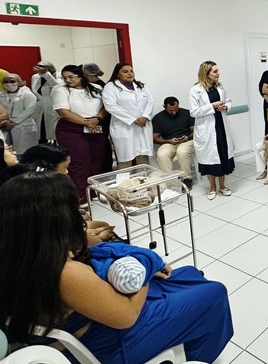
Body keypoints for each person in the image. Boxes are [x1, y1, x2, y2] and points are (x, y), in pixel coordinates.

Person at [0, 171, 233, 363]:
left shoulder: (21, 252)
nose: (80, 215)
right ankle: (197, 356)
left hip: (92, 319)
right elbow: (126, 316)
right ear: (55, 218)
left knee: (189, 274)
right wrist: (145, 269)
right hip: (106, 343)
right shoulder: (65, 272)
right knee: (214, 293)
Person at [18, 142, 116, 244]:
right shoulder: (44, 192)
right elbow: (52, 230)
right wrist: (89, 235)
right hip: (46, 242)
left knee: (101, 225)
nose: (67, 172)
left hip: (58, 231)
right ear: (48, 169)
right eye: (65, 167)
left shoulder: (26, 182)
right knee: (102, 236)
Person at [52, 64, 108, 202]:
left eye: (71, 77)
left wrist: (97, 119)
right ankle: (80, 195)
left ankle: (94, 192)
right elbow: (63, 112)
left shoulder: (96, 88)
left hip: (95, 126)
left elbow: (105, 107)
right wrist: (86, 122)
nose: (68, 80)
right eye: (65, 78)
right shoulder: (61, 90)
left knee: (97, 159)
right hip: (72, 129)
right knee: (79, 161)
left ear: (81, 76)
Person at [190, 61, 235, 200]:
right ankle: (212, 187)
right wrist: (212, 106)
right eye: (215, 71)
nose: (218, 73)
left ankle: (222, 186)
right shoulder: (195, 90)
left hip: (221, 126)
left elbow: (228, 101)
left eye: (217, 70)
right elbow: (193, 112)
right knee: (209, 159)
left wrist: (225, 107)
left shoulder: (220, 87)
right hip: (207, 128)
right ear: (206, 73)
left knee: (222, 155)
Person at [101, 63, 154, 169]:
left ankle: (145, 184)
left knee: (143, 157)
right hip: (123, 127)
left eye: (131, 71)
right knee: (125, 160)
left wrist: (144, 116)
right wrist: (133, 119)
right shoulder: (110, 87)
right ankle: (123, 185)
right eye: (125, 72)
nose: (129, 74)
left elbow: (150, 102)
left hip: (143, 125)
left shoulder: (141, 86)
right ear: (117, 74)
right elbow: (111, 106)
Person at [152, 97, 195, 189]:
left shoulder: (187, 113)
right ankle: (171, 180)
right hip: (169, 142)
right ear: (164, 107)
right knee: (162, 154)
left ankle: (187, 178)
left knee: (182, 152)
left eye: (176, 109)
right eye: (171, 110)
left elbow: (195, 131)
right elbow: (155, 138)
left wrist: (188, 137)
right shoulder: (158, 118)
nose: (174, 112)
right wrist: (168, 141)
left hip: (186, 141)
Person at [82, 63, 113, 172]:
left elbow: (106, 106)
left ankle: (105, 168)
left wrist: (97, 118)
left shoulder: (100, 87)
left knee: (102, 145)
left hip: (101, 120)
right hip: (96, 120)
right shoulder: (96, 85)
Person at [0, 73, 39, 156]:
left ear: (19, 82)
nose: (9, 84)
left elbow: (29, 111)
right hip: (6, 126)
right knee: (9, 153)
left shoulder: (27, 94)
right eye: (6, 82)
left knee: (27, 153)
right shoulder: (1, 95)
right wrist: (5, 122)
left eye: (12, 81)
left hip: (24, 126)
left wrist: (13, 122)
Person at [30, 60, 62, 144]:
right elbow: (35, 92)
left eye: (41, 67)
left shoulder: (58, 76)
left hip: (52, 107)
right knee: (40, 132)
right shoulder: (35, 77)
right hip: (39, 108)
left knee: (53, 133)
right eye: (37, 66)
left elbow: (58, 88)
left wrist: (46, 74)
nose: (38, 69)